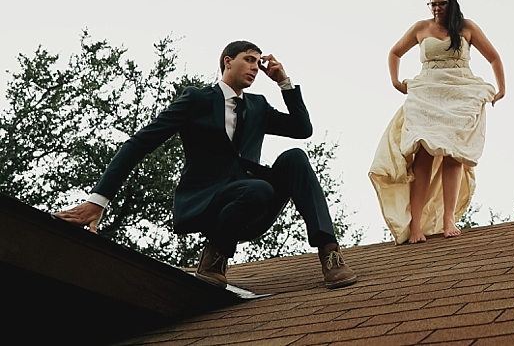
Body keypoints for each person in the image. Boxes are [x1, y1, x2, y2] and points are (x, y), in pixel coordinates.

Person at [54, 40, 357, 289]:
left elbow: (302, 129)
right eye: (249, 59)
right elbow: (139, 144)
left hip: (254, 203)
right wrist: (98, 201)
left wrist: (284, 82)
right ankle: (215, 256)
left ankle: (329, 254)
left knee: (295, 158)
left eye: (258, 61)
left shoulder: (258, 106)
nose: (255, 66)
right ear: (228, 61)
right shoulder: (196, 100)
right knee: (258, 189)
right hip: (212, 203)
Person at [370, 0, 505, 244]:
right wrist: (395, 81)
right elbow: (395, 52)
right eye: (432, 4)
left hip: (459, 91)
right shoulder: (421, 28)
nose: (436, 8)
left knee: (453, 154)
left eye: (441, 3)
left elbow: (494, 58)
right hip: (427, 92)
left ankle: (448, 220)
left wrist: (501, 89)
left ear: (451, 3)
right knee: (423, 154)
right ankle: (416, 226)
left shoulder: (467, 27)